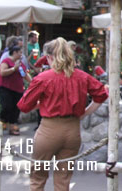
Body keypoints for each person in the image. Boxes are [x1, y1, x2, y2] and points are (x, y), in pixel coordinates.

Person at [18, 37, 108, 191]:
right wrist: (85, 113)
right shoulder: (82, 76)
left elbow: (24, 106)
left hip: (49, 130)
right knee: (63, 180)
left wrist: (42, 104)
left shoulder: (43, 78)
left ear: (50, 57)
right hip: (72, 130)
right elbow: (101, 95)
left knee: (37, 178)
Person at [0, 46, 31, 135]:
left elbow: (24, 74)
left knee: (16, 108)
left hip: (18, 89)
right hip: (6, 88)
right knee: (7, 106)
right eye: (20, 52)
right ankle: (2, 120)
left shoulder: (20, 64)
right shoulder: (6, 61)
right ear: (14, 52)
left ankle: (12, 125)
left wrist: (33, 82)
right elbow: (2, 72)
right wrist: (13, 69)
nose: (21, 55)